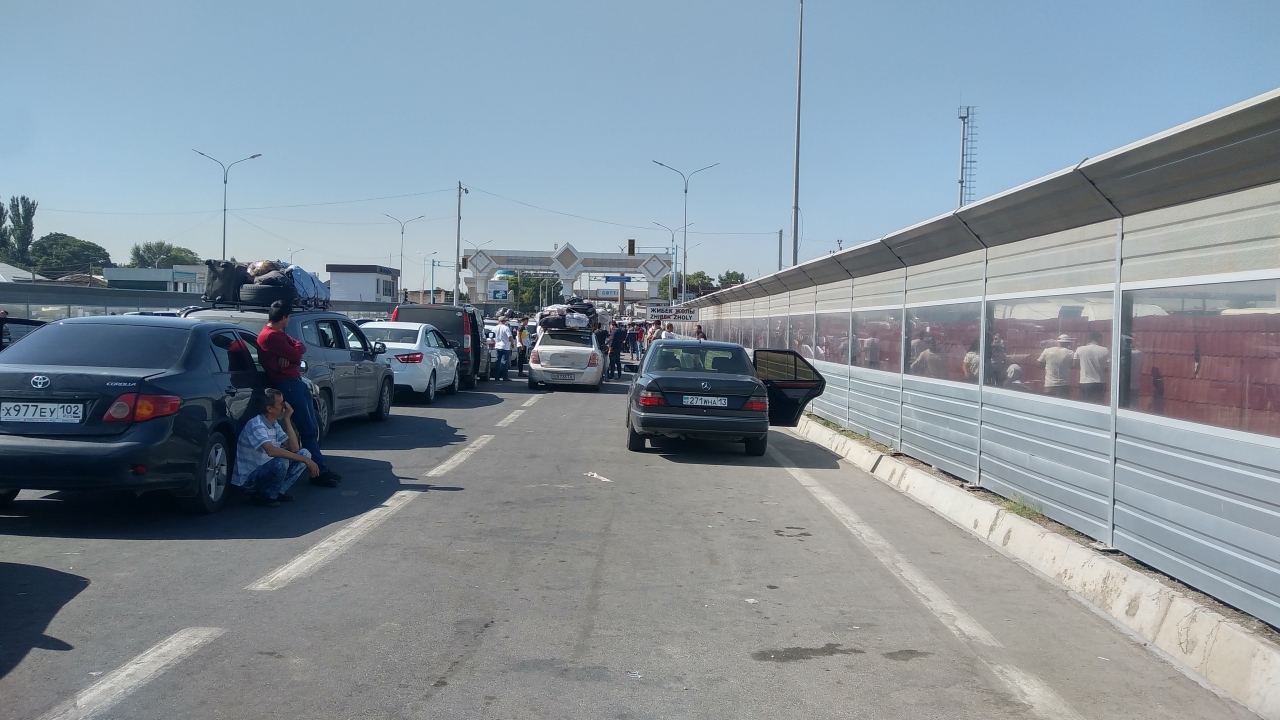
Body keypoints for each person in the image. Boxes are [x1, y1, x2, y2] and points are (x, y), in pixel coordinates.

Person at [257, 301, 340, 486]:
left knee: (311, 428)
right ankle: (318, 472)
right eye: (288, 318)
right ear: (284, 317)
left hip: (296, 383)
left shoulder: (278, 334)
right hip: (288, 385)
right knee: (307, 429)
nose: (289, 321)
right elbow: (297, 354)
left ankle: (319, 468)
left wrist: (291, 356)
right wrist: (292, 357)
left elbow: (300, 347)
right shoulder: (270, 336)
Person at [233, 388, 320, 507]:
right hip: (249, 480)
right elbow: (271, 450)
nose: (284, 406)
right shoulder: (256, 424)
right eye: (281, 403)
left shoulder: (274, 424)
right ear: (269, 408)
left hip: (266, 471)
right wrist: (306, 461)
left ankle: (276, 492)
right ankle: (264, 496)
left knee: (305, 453)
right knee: (281, 462)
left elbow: (294, 448)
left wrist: (287, 419)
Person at [1075, 332, 1110, 402]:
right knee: (1098, 403)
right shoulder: (1105, 350)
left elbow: (1075, 364)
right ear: (1099, 339)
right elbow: (1109, 366)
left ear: (1090, 339)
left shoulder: (1080, 349)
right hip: (1099, 382)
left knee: (1084, 403)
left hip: (1084, 381)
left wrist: (1084, 367)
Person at [1038, 334, 1075, 399]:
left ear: (1058, 342)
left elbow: (1039, 363)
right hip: (1064, 384)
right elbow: (1074, 364)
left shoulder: (1047, 351)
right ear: (1068, 343)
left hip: (1050, 384)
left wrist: (1047, 368)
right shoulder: (1070, 353)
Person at [492, 316, 513, 381]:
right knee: (504, 362)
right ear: (504, 321)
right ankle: (505, 377)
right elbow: (510, 336)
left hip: (497, 346)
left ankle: (496, 377)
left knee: (497, 361)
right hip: (505, 346)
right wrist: (512, 343)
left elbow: (491, 336)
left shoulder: (495, 328)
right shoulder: (506, 328)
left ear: (499, 321)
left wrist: (494, 341)